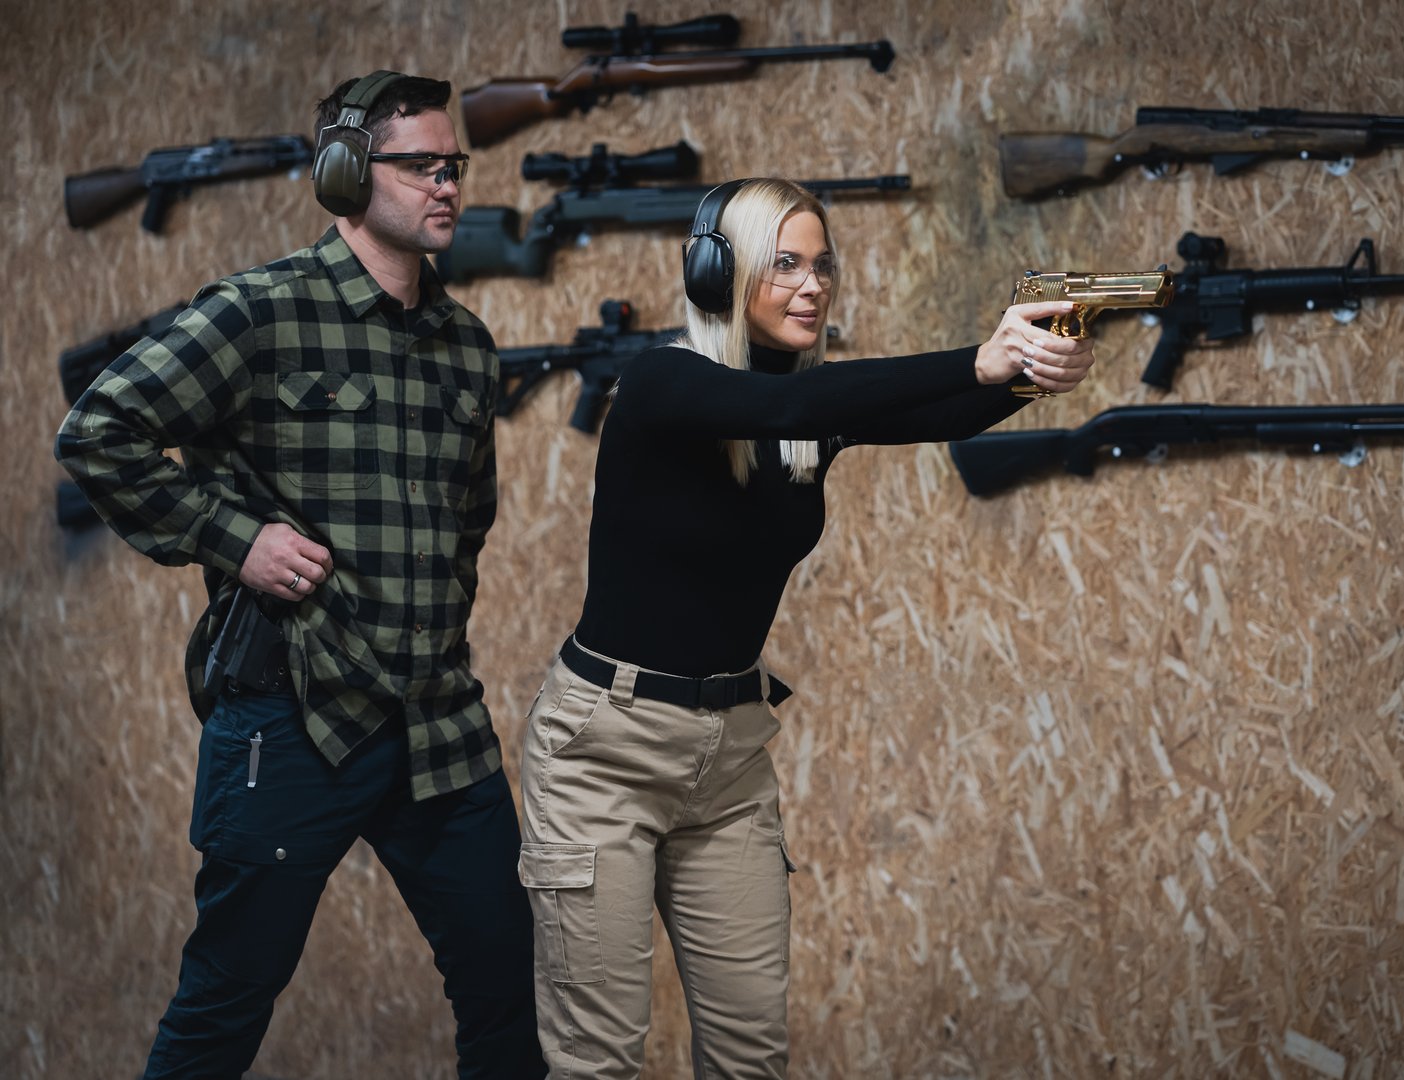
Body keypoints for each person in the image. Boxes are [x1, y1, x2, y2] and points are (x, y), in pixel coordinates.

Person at [517, 177, 1094, 1076]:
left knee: (752, 1055)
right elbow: (790, 405)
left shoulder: (805, 416)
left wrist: (1029, 372)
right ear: (718, 275)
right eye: (783, 264)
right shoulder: (665, 382)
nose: (812, 285)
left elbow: (911, 410)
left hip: (730, 760)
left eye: (822, 265)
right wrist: (979, 358)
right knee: (598, 1062)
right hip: (604, 752)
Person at [56, 72, 545, 1079]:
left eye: (453, 165)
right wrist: (234, 537)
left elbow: (469, 524)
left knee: (509, 992)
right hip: (293, 718)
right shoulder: (262, 312)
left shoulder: (465, 346)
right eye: (420, 166)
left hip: (436, 725)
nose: (447, 184)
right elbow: (100, 430)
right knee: (225, 1002)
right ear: (346, 174)